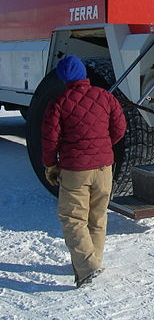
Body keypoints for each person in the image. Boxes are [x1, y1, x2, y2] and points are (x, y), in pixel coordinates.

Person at [41, 55, 126, 288]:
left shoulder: (58, 103)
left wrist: (51, 165)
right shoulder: (105, 96)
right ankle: (93, 262)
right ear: (84, 74)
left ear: (62, 77)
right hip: (103, 168)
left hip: (75, 170)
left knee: (73, 218)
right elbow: (119, 127)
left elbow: (49, 140)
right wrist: (104, 146)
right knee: (97, 217)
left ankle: (87, 267)